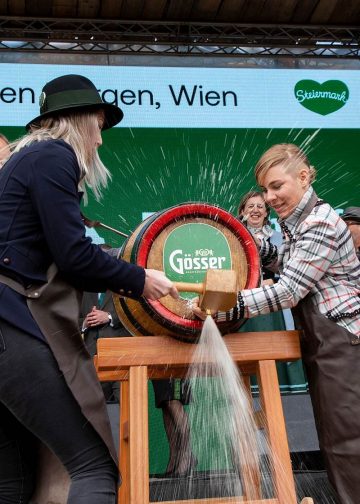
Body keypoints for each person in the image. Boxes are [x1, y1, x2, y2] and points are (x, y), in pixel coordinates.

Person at [0, 74, 178, 504]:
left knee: (12, 482)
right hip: (12, 326)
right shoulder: (54, 156)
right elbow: (76, 257)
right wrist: (141, 279)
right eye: (99, 125)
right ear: (79, 120)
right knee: (94, 467)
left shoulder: (22, 164)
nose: (100, 141)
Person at [194, 143, 360, 503]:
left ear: (303, 177)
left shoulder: (319, 223)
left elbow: (288, 291)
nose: (269, 197)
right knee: (335, 439)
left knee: (349, 443)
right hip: (327, 343)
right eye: (265, 190)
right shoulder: (294, 223)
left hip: (343, 342)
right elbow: (279, 260)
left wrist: (220, 307)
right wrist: (238, 241)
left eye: (276, 187)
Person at [237, 191, 307, 394]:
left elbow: (288, 270)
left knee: (279, 346)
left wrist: (271, 281)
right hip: (247, 305)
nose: (255, 210)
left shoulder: (279, 238)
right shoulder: (233, 239)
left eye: (260, 206)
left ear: (267, 213)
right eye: (250, 206)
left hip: (275, 305)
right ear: (242, 211)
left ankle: (286, 392)